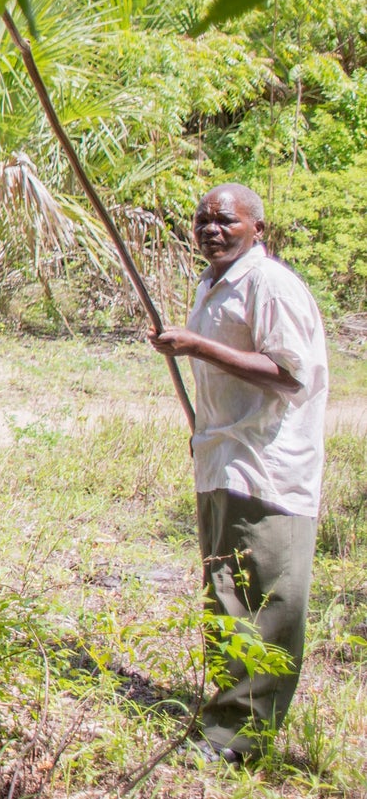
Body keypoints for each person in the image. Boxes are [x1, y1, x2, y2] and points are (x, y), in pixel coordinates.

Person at [148, 183, 327, 763]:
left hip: (268, 466)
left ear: (258, 229)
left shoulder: (269, 284)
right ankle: (226, 719)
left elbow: (287, 374)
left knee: (266, 599)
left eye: (225, 220)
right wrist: (204, 431)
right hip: (223, 458)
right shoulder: (212, 285)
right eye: (201, 221)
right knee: (226, 593)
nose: (210, 229)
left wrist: (196, 345)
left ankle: (241, 739)